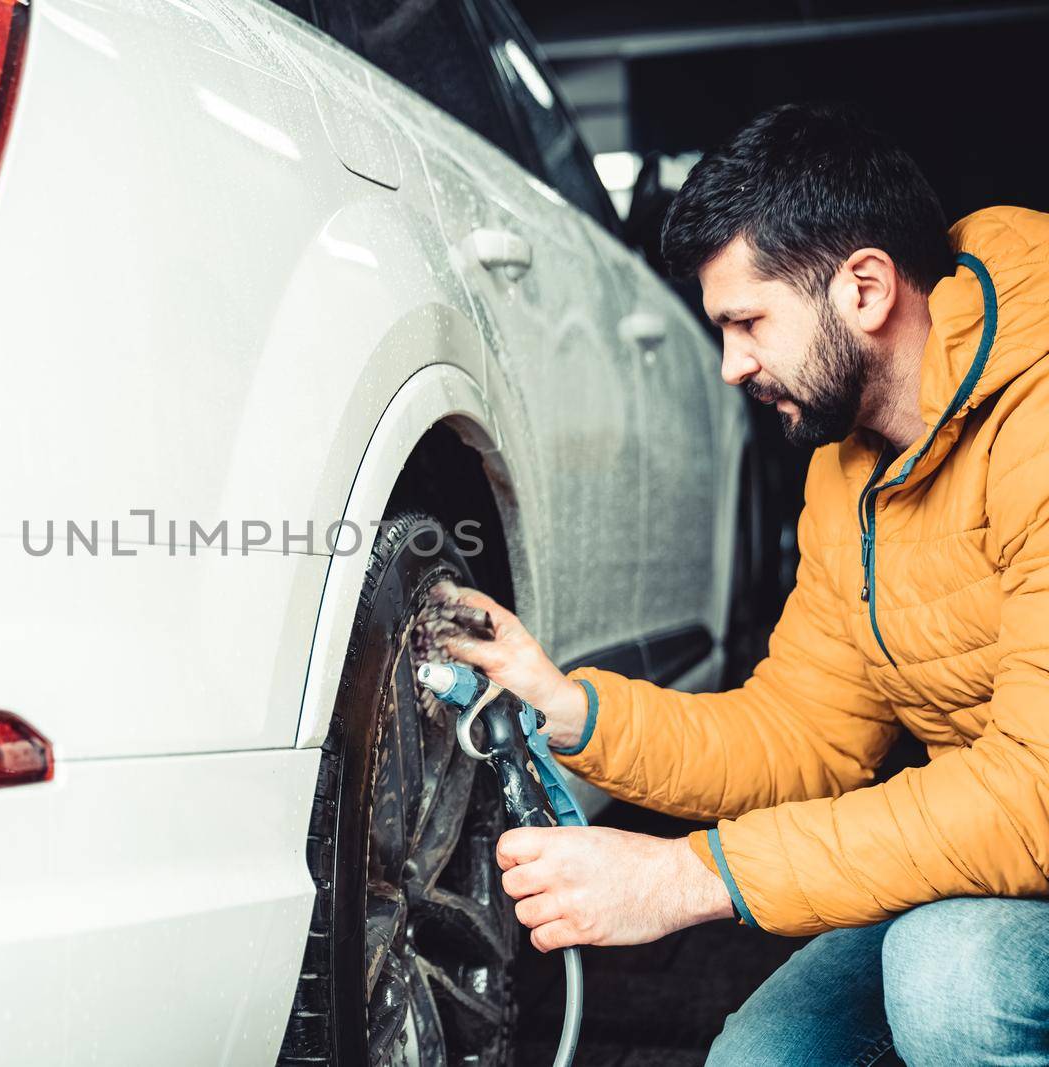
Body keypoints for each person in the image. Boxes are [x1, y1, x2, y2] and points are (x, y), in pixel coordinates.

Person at [441, 102, 1049, 1066]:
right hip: (984, 859)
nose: (731, 366)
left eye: (748, 322)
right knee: (758, 1058)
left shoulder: (1038, 419)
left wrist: (689, 877)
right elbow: (805, 736)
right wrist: (568, 707)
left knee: (952, 980)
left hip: (1014, 852)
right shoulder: (848, 468)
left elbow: (1034, 791)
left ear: (864, 288)